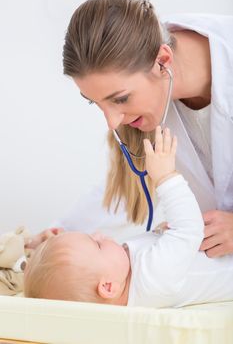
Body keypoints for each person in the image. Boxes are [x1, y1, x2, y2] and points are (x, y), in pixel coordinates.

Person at [59, 0, 233, 258]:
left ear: (163, 60)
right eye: (95, 103)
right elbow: (125, 189)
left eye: (120, 99)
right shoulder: (148, 108)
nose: (112, 121)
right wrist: (61, 236)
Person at [24, 127, 233, 307]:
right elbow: (190, 230)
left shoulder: (125, 273)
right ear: (108, 287)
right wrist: (165, 177)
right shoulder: (152, 278)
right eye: (97, 245)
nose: (99, 235)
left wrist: (161, 234)